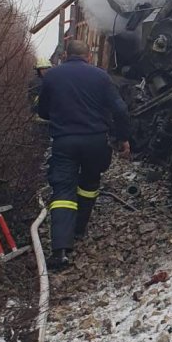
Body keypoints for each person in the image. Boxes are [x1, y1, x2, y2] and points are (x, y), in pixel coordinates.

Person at [37, 38, 131, 271]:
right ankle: (79, 229)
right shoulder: (101, 76)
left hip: (65, 142)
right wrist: (122, 139)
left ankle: (60, 250)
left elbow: (42, 110)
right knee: (89, 185)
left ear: (66, 55)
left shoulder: (52, 76)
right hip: (96, 141)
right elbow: (121, 109)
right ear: (89, 56)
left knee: (63, 190)